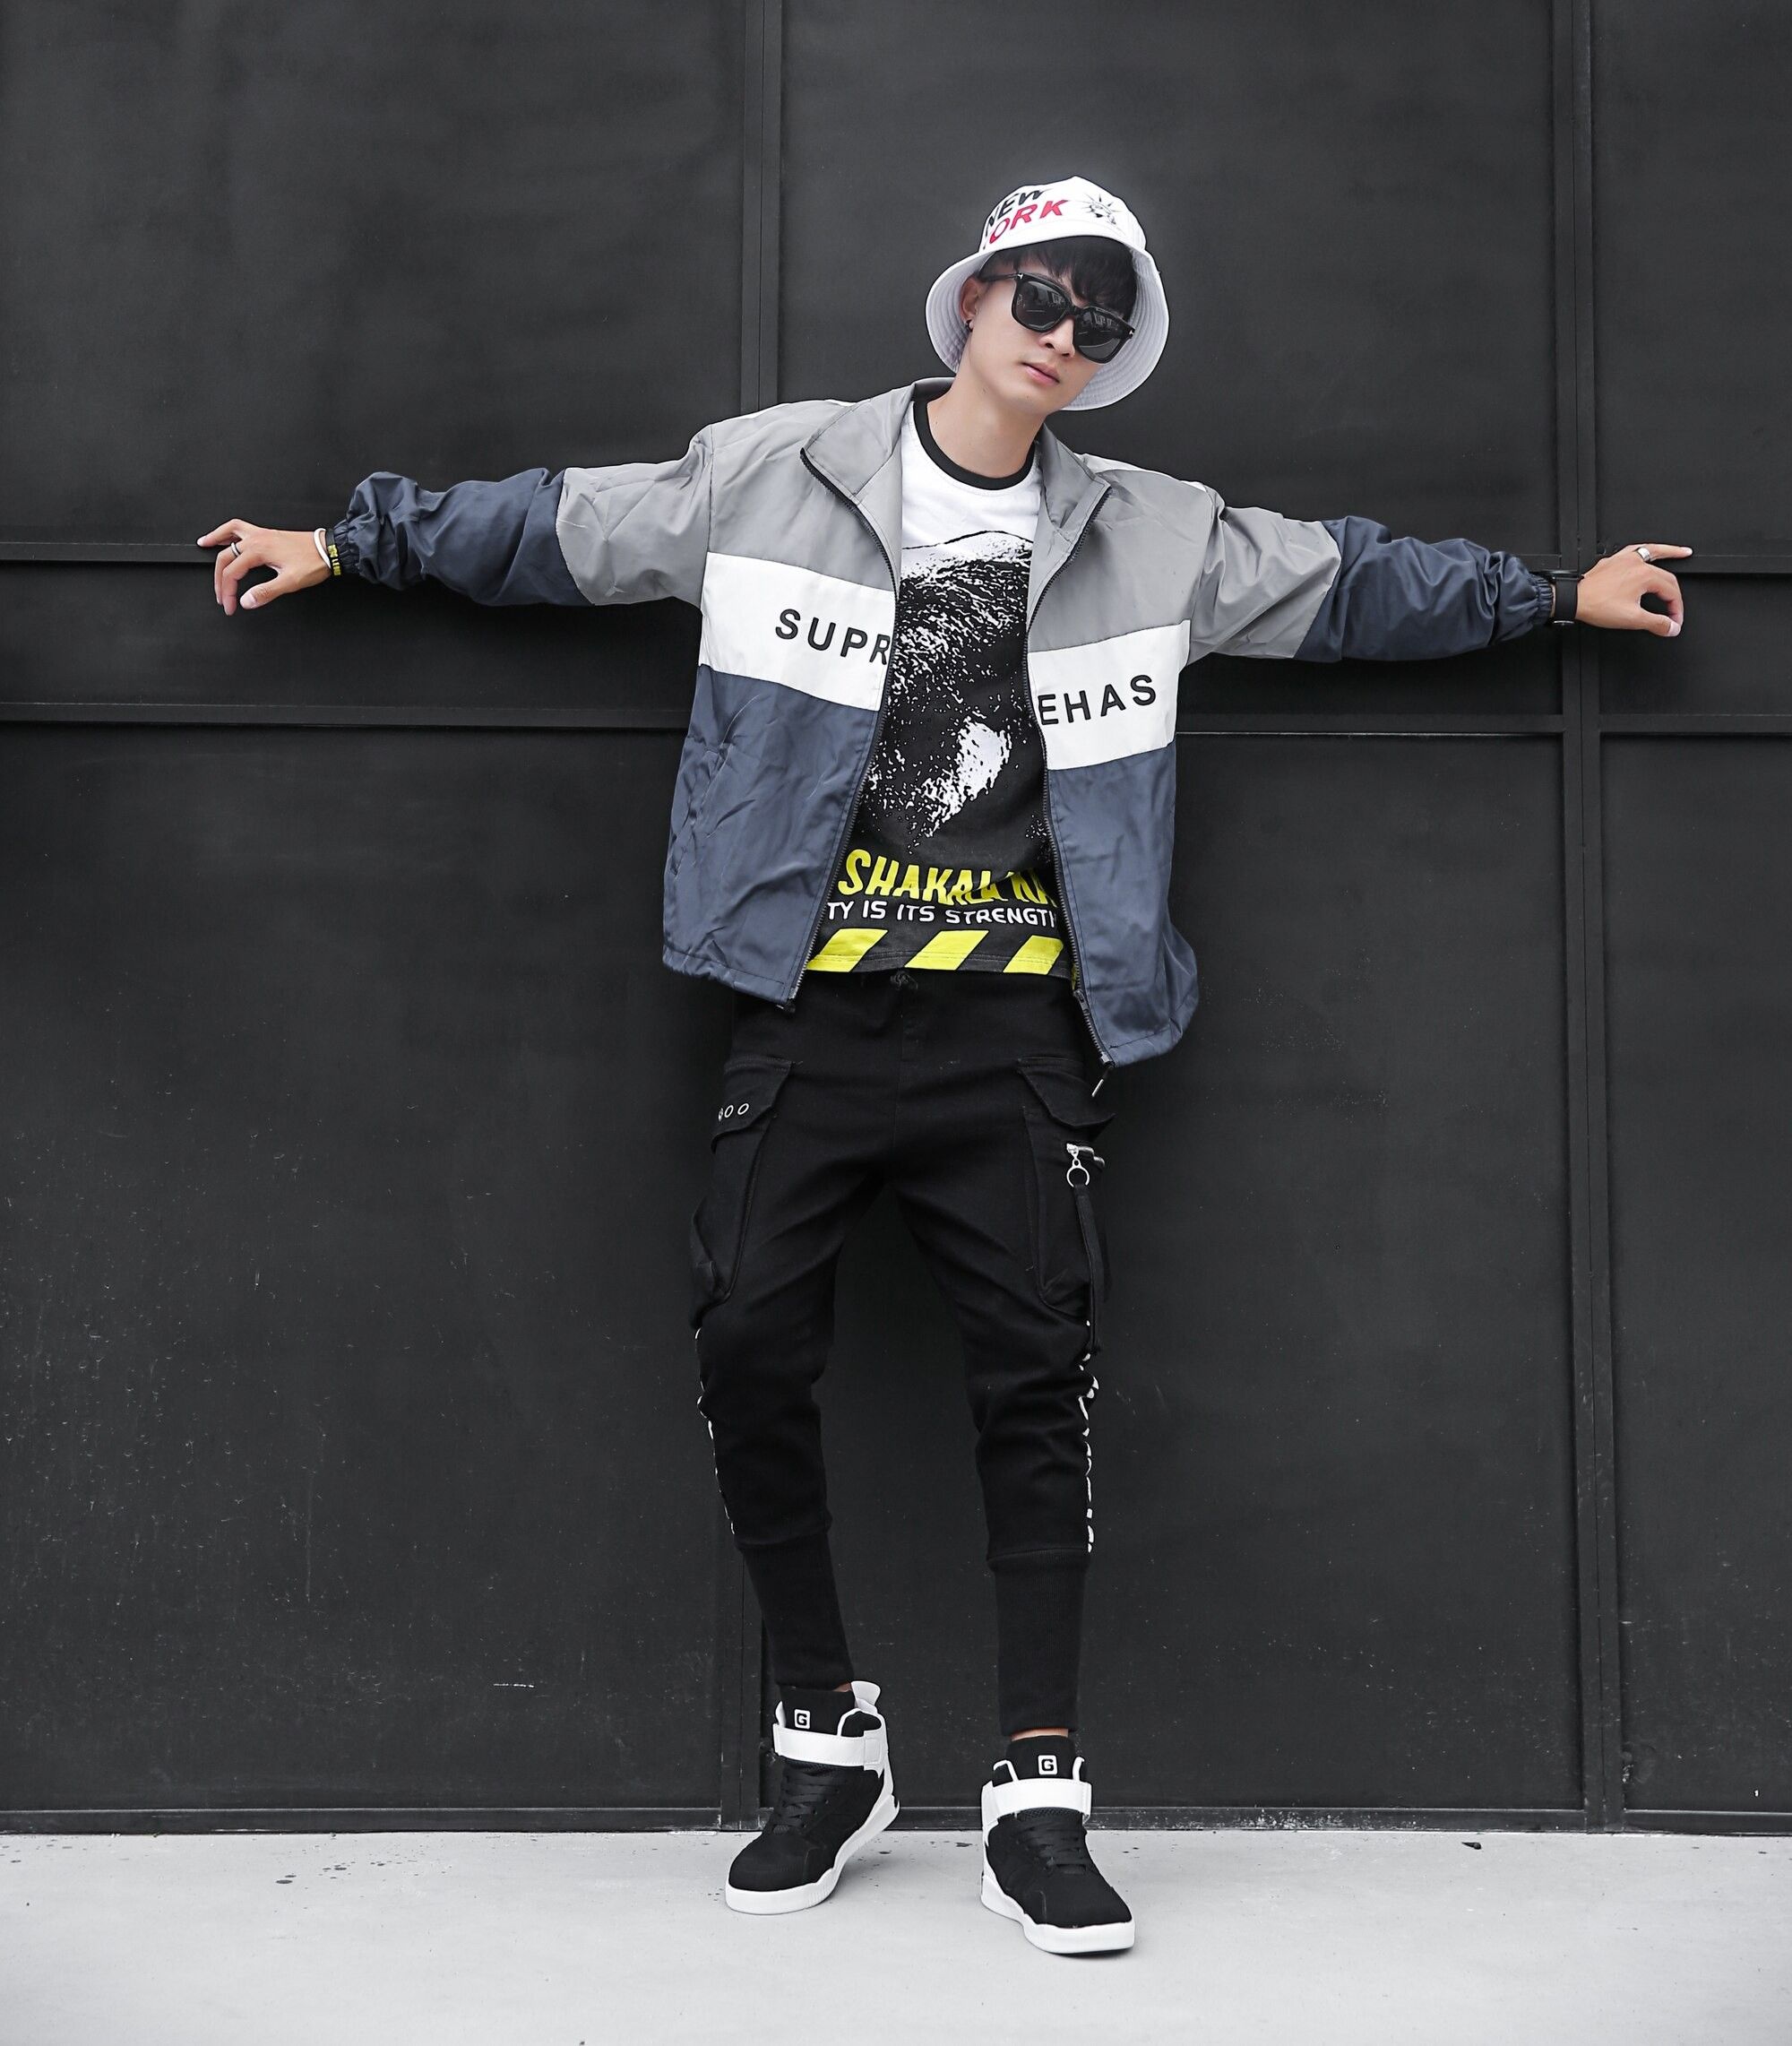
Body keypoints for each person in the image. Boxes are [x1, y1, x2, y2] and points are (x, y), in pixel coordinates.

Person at [198, 174, 1688, 1957]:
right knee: (748, 1339)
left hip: (1018, 1033)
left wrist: (1556, 595)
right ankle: (824, 1741)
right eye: (1041, 296)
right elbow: (558, 526)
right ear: (973, 294)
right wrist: (349, 541)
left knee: (1033, 1385)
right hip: (810, 1013)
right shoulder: (775, 476)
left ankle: (1038, 1793)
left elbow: (1357, 581)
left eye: (1100, 318)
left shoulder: (1153, 534)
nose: (1065, 337)